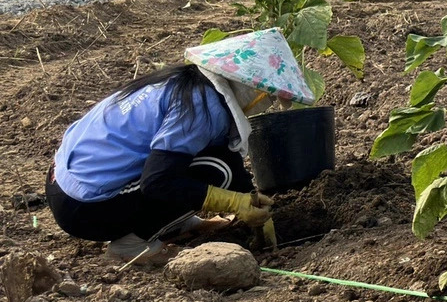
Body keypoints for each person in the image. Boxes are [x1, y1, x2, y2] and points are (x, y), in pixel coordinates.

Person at [48, 28, 313, 249]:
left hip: (63, 180)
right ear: (250, 88)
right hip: (86, 207)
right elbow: (157, 181)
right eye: (267, 98)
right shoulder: (202, 108)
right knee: (216, 171)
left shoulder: (186, 84)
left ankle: (175, 223)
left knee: (213, 161)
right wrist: (234, 202)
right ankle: (133, 244)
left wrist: (250, 196)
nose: (265, 105)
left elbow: (224, 154)